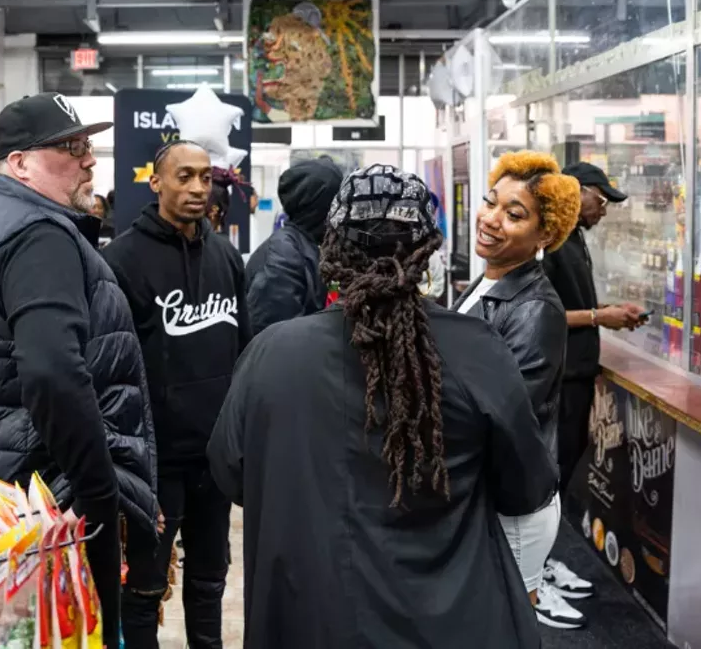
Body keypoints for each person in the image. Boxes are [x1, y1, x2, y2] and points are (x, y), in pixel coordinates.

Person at [208, 164, 555, 648]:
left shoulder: (272, 354)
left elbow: (231, 473)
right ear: (425, 251)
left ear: (331, 248)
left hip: (309, 613)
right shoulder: (477, 352)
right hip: (450, 619)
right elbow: (526, 487)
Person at [0, 93, 157, 649]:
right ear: (20, 163)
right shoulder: (38, 237)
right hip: (43, 506)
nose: (89, 160)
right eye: (70, 149)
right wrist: (101, 494)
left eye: (88, 146)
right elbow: (52, 374)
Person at [103, 140, 251, 649]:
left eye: (205, 178)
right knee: (145, 587)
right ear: (156, 183)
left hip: (213, 457)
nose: (196, 188)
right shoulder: (120, 261)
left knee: (210, 580)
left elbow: (245, 349)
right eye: (183, 176)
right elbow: (110, 363)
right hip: (154, 459)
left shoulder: (228, 259)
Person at [456, 151, 582, 629]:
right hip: (481, 491)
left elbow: (508, 415)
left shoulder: (536, 309)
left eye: (514, 215)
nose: (491, 219)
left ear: (545, 235)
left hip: (513, 502)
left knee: (504, 628)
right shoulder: (487, 282)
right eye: (492, 203)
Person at [541, 161, 645, 603]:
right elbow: (541, 313)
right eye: (600, 200)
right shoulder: (552, 241)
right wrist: (601, 316)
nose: (603, 211)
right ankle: (530, 575)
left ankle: (540, 561)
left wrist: (606, 311)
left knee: (560, 473)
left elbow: (570, 303)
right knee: (549, 477)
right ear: (576, 192)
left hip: (577, 373)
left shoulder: (574, 238)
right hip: (559, 376)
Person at [245, 156, 342, 335]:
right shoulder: (282, 257)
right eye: (337, 203)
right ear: (321, 206)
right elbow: (274, 336)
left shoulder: (307, 245)